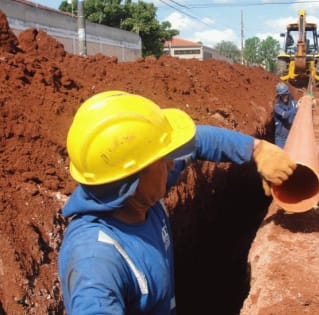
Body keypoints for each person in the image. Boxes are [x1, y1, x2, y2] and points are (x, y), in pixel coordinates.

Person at [58, 90, 296, 315]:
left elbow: (197, 142)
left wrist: (256, 149)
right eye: (163, 160)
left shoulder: (136, 195)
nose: (172, 164)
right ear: (131, 180)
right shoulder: (96, 263)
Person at [273, 82, 298, 148]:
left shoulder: (293, 103)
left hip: (292, 134)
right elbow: (285, 115)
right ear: (279, 95)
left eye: (285, 94)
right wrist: (296, 108)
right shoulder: (276, 106)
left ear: (288, 93)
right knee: (281, 155)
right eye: (282, 95)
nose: (284, 96)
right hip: (280, 138)